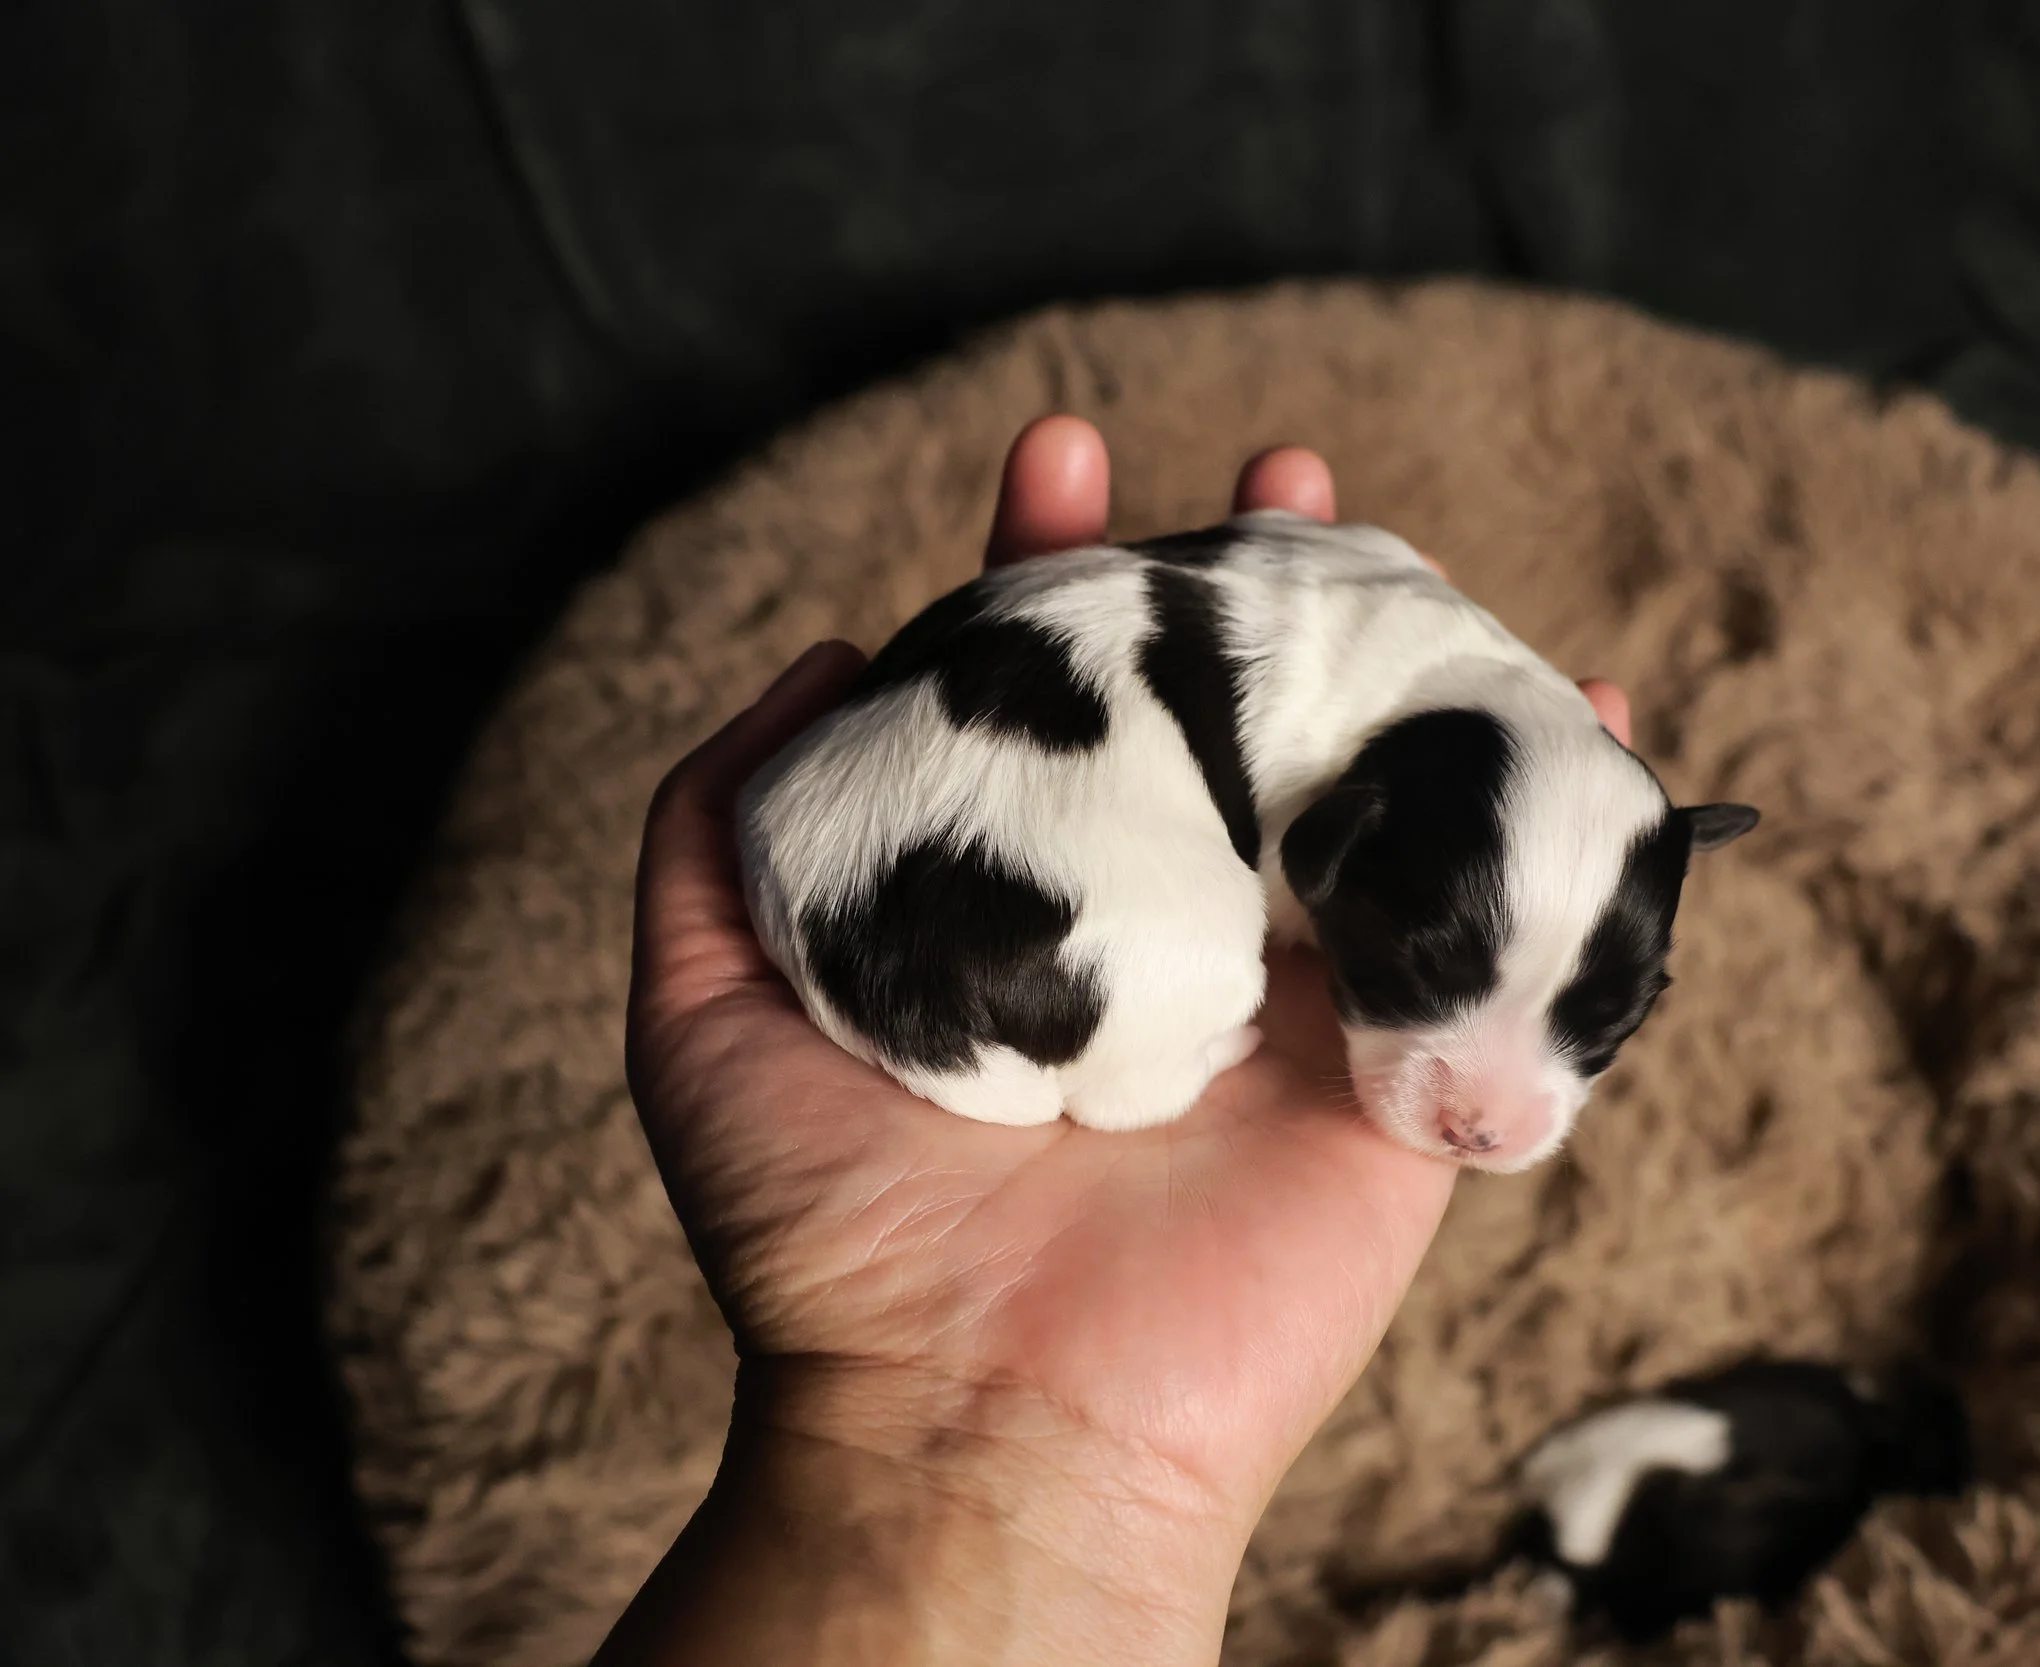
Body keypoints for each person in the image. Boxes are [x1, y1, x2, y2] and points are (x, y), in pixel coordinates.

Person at [595, 415, 1635, 1665]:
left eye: (1599, 1022)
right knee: (1195, 944)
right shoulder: (1331, 768)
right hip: (982, 911)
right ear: (1338, 842)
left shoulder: (1367, 590)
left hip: (892, 832)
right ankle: (1132, 1076)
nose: (1498, 1111)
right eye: (1429, 976)